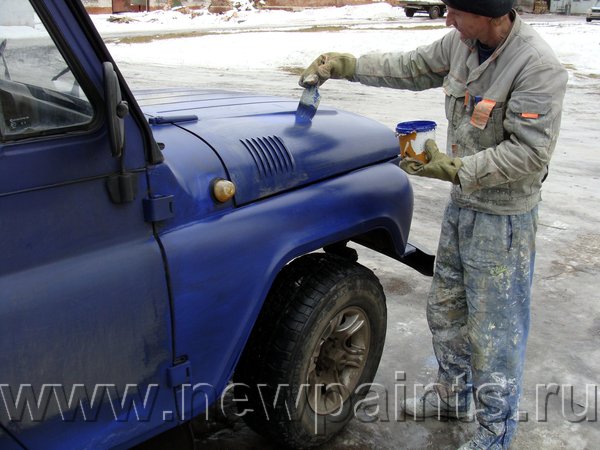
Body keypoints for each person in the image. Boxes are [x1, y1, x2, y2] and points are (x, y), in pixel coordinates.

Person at [299, 0, 567, 448]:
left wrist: (454, 169)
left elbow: (530, 153)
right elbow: (410, 66)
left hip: (503, 220)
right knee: (444, 308)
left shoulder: (536, 67)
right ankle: (453, 395)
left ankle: (496, 431)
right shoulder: (465, 43)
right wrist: (347, 65)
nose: (447, 19)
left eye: (456, 10)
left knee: (493, 331)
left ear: (491, 13)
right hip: (462, 206)